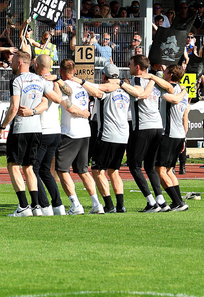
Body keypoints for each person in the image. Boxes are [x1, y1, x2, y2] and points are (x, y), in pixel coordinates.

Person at [0, 50, 50, 217]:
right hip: (36, 129)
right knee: (30, 168)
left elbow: (14, 108)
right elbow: (48, 102)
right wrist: (34, 111)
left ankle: (23, 206)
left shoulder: (17, 80)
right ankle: (36, 207)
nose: (11, 63)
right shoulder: (40, 80)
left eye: (13, 61)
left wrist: (2, 127)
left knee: (13, 165)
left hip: (20, 129)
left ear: (19, 63)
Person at [120, 55, 174, 212]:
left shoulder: (137, 80)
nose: (129, 67)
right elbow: (170, 88)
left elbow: (140, 94)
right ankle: (162, 201)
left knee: (134, 165)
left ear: (137, 67)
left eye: (130, 64)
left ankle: (151, 202)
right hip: (157, 127)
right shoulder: (156, 82)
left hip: (143, 127)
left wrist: (123, 84)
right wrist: (153, 78)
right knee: (150, 166)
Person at [77, 64, 130, 215]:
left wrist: (79, 81)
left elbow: (95, 90)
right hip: (123, 136)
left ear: (105, 77)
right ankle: (121, 206)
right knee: (114, 171)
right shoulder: (126, 90)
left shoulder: (104, 90)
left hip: (107, 135)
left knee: (97, 170)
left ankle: (109, 205)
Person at [51, 59, 99, 216]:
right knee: (83, 170)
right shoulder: (81, 86)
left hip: (70, 132)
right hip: (85, 132)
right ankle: (96, 203)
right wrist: (85, 114)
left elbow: (69, 107)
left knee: (62, 170)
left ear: (60, 72)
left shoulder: (64, 85)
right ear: (75, 71)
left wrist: (83, 113)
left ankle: (75, 203)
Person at [29, 55, 63, 215]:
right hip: (55, 130)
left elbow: (54, 100)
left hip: (44, 130)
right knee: (45, 170)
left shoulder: (39, 82)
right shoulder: (54, 81)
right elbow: (62, 95)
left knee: (33, 169)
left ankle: (44, 206)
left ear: (36, 65)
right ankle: (58, 205)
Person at [158, 65, 190, 212]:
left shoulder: (168, 90)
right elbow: (185, 117)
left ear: (170, 75)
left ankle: (177, 202)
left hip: (168, 134)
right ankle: (179, 201)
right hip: (179, 135)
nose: (163, 73)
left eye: (165, 71)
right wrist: (184, 137)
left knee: (160, 169)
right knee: (170, 169)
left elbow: (174, 101)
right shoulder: (184, 92)